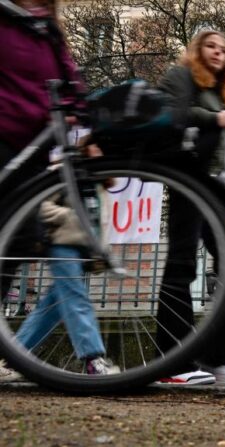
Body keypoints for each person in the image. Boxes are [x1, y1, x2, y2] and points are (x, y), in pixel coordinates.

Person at [154, 30, 225, 385]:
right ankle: (171, 362)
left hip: (216, 192)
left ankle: (215, 359)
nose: (219, 53)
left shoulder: (218, 92)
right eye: (212, 46)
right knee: (181, 266)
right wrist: (216, 119)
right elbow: (175, 115)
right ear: (198, 49)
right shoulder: (181, 76)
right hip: (188, 183)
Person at [0, 0, 84, 302]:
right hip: (5, 133)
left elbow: (72, 82)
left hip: (34, 147)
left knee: (18, 239)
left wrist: (83, 110)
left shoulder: (48, 30)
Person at [15, 145, 119, 375]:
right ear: (85, 148)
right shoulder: (65, 172)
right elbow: (40, 205)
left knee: (51, 307)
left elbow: (98, 223)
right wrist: (69, 216)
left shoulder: (101, 183)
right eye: (97, 148)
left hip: (82, 251)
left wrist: (101, 250)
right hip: (61, 243)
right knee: (76, 297)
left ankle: (14, 357)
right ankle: (93, 359)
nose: (101, 153)